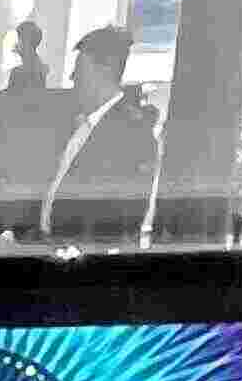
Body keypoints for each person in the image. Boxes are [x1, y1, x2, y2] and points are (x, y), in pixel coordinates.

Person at [39, 25, 161, 242]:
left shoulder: (133, 136)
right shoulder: (80, 124)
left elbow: (120, 223)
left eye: (79, 70)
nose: (72, 77)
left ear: (103, 72)